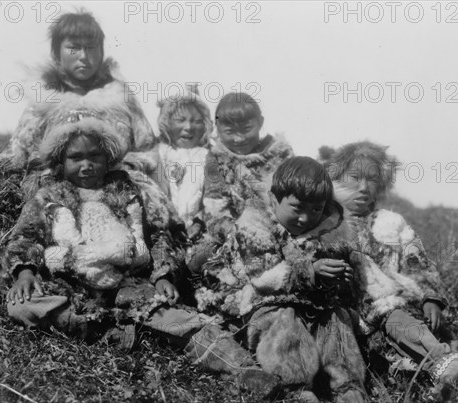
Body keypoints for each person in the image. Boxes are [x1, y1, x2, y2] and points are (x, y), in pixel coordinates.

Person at [1, 105, 186, 344]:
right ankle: (102, 328)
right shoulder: (48, 197)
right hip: (70, 283)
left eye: (95, 156)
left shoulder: (128, 191)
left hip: (125, 281)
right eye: (76, 158)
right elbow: (26, 236)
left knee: (173, 313)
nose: (86, 165)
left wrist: (163, 276)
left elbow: (158, 235)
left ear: (108, 158)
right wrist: (25, 273)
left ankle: (229, 358)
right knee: (21, 306)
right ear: (60, 160)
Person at [192, 157, 368, 403]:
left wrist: (333, 280)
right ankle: (295, 388)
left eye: (316, 209)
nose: (306, 218)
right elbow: (261, 277)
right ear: (274, 199)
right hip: (254, 307)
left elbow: (335, 285)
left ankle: (348, 389)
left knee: (335, 318)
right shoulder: (253, 226)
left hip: (306, 308)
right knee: (285, 317)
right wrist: (311, 271)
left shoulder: (329, 231)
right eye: (297, 207)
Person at [326, 141, 458, 403]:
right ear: (334, 179)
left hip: (393, 309)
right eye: (354, 178)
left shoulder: (391, 224)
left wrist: (430, 298)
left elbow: (417, 262)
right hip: (348, 316)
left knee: (408, 328)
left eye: (372, 180)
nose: (364, 187)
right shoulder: (325, 223)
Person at [0, 11, 156, 174]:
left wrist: (126, 168)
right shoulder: (41, 101)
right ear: (56, 54)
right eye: (73, 48)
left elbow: (149, 151)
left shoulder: (122, 99)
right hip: (53, 193)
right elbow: (16, 154)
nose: (84, 56)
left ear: (101, 52)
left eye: (91, 47)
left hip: (118, 190)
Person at [201, 92, 293, 239]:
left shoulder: (279, 153)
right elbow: (215, 206)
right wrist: (235, 232)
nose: (239, 138)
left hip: (283, 227)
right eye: (230, 131)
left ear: (260, 122)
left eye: (246, 129)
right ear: (217, 127)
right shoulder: (217, 159)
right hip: (237, 233)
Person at [156, 85, 212, 241]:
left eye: (196, 121)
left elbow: (216, 200)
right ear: (166, 123)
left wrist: (199, 222)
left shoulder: (211, 158)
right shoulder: (155, 156)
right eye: (180, 120)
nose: (188, 127)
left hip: (200, 237)